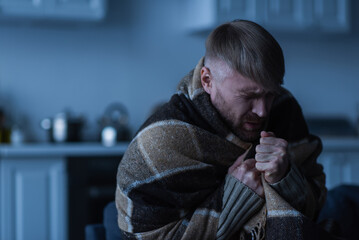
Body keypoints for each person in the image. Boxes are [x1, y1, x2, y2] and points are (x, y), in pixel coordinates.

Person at [115, 20, 328, 240]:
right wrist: (236, 197)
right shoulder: (158, 143)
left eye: (270, 93)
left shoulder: (284, 107)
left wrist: (285, 179)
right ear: (207, 80)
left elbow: (318, 202)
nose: (263, 111)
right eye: (248, 96)